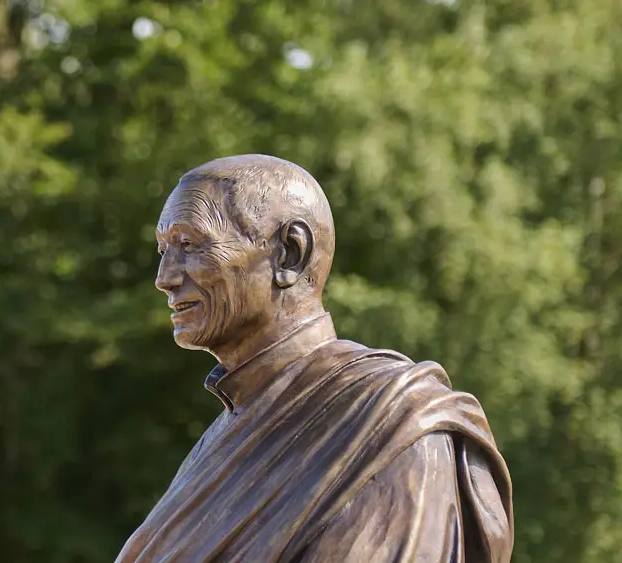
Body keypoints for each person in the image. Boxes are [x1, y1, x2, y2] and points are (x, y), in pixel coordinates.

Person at [115, 154, 513, 563]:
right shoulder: (229, 432)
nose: (165, 278)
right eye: (163, 249)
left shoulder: (390, 428)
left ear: (289, 253)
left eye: (189, 245)